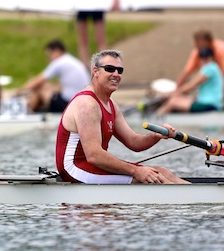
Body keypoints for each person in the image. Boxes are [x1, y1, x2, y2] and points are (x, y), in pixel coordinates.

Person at [56, 49, 188, 184]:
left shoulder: (111, 104)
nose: (116, 74)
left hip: (94, 165)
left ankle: (201, 200)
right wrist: (136, 171)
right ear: (95, 71)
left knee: (162, 172)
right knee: (155, 179)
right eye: (110, 69)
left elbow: (134, 142)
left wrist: (156, 136)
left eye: (120, 70)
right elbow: (94, 155)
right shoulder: (87, 104)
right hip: (74, 169)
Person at [17, 39, 90, 113]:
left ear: (57, 51)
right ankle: (30, 108)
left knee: (40, 89)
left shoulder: (59, 62)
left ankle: (26, 111)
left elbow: (37, 81)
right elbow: (61, 87)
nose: (49, 59)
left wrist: (18, 91)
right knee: (46, 86)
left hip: (69, 103)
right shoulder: (71, 60)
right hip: (80, 101)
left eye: (49, 55)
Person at [157, 46, 224, 115]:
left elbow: (192, 85)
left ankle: (154, 120)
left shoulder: (210, 68)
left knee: (172, 102)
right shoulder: (214, 67)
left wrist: (173, 93)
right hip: (210, 104)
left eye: (206, 57)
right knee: (179, 99)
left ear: (212, 57)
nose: (204, 59)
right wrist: (178, 94)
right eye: (202, 57)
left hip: (210, 106)